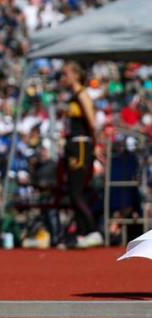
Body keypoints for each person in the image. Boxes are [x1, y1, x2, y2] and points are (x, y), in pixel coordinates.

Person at [60, 62, 102, 248]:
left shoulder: (82, 94)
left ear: (76, 75)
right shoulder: (72, 97)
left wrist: (96, 144)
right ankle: (81, 232)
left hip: (81, 145)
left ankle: (92, 230)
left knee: (77, 190)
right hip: (72, 145)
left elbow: (92, 122)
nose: (64, 77)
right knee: (73, 190)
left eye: (66, 74)